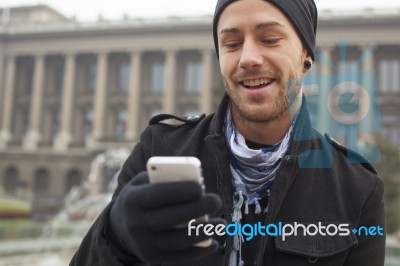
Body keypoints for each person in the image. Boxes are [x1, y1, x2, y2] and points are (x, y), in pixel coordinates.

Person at [70, 0, 385, 265]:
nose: (248, 58)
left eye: (270, 39)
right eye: (231, 44)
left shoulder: (357, 187)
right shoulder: (160, 148)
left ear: (307, 56)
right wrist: (115, 236)